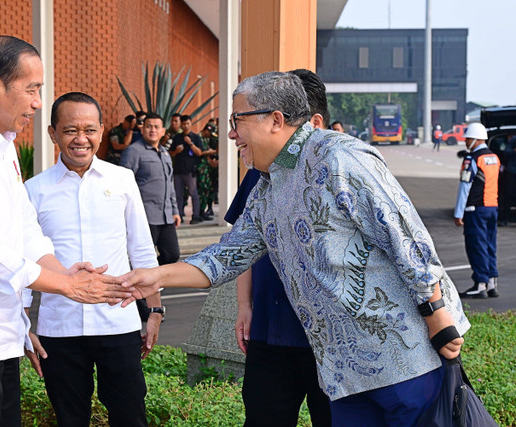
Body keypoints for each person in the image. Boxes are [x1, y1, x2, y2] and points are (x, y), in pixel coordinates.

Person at [118, 71, 469, 427]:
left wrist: (436, 313)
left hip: (404, 356)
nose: (230, 134)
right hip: (344, 372)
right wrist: (155, 275)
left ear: (276, 120)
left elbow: (406, 237)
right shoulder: (267, 187)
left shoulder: (339, 158)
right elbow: (225, 257)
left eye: (237, 121)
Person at [0, 36, 129, 427]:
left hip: (1, 334)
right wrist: (69, 288)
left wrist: (66, 272)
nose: (37, 102)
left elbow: (25, 230)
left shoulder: (3, 147)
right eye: (31, 89)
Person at [23, 92, 162, 426]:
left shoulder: (122, 179)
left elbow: (141, 249)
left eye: (89, 129)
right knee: (71, 418)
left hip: (119, 321)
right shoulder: (33, 189)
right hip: (61, 329)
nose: (81, 139)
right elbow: (23, 261)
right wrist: (24, 325)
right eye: (70, 130)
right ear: (53, 133)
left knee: (130, 415)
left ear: (102, 131)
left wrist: (154, 310)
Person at [228, 68, 331, 427]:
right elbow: (239, 246)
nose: (233, 133)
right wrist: (244, 306)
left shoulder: (343, 170)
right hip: (272, 332)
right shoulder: (259, 171)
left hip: (332, 340)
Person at [121, 113, 182, 265]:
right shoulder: (133, 151)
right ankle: (140, 283)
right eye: (148, 126)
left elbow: (170, 184)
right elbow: (122, 184)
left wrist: (174, 211)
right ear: (142, 129)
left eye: (156, 127)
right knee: (142, 258)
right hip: (144, 216)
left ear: (163, 131)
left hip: (166, 215)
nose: (152, 130)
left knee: (172, 254)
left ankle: (152, 276)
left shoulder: (165, 153)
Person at [454, 123, 500, 298]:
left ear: (475, 139)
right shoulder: (494, 157)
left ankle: (479, 284)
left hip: (475, 209)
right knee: (489, 245)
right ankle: (491, 283)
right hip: (492, 207)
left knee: (476, 245)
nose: (465, 142)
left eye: (467, 138)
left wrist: (458, 213)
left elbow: (464, 187)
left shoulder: (472, 159)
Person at [169, 114, 205, 224]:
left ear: (191, 123)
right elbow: (171, 153)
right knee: (178, 195)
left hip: (190, 171)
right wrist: (176, 152)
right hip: (178, 171)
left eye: (187, 124)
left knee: (193, 194)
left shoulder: (195, 137)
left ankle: (196, 216)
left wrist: (190, 143)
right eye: (183, 124)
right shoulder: (177, 138)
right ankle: (178, 215)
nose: (185, 126)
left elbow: (200, 153)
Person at [197, 123, 219, 219]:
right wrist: (211, 152)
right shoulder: (198, 138)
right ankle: (199, 212)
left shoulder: (206, 139)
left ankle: (204, 211)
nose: (210, 136)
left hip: (207, 167)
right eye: (209, 133)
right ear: (206, 130)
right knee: (202, 190)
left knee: (208, 189)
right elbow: (200, 153)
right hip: (200, 168)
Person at [497, 135, 516, 226]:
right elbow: (505, 152)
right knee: (508, 196)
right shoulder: (514, 139)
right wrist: (514, 151)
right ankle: (504, 219)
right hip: (511, 172)